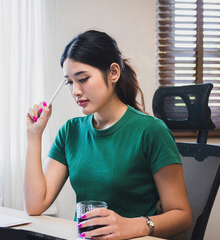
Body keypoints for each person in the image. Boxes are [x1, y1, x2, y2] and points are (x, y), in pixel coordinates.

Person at [24, 30, 192, 240]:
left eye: (83, 78)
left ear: (113, 72)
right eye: (69, 82)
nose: (75, 91)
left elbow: (182, 217)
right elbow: (34, 205)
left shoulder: (152, 131)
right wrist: (34, 136)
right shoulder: (70, 132)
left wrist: (132, 226)